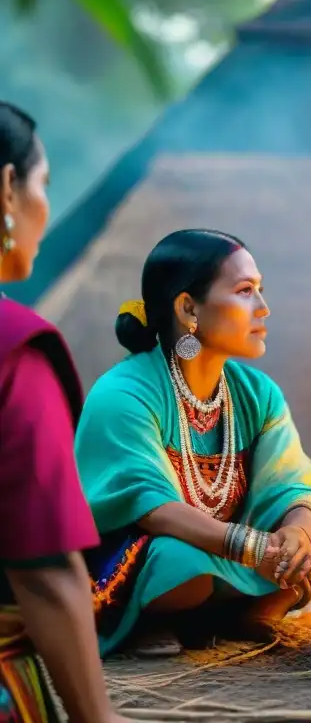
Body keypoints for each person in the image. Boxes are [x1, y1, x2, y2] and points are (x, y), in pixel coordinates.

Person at [75, 229, 311, 657]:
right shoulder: (124, 393)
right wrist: (253, 547)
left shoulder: (257, 393)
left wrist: (296, 533)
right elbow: (151, 506)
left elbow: (292, 484)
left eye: (260, 290)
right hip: (140, 562)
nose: (264, 308)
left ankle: (238, 619)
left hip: (227, 558)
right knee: (179, 565)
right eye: (245, 291)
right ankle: (153, 621)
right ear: (189, 308)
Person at [0, 102, 127, 721]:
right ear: (6, 188)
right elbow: (46, 566)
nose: (46, 208)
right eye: (43, 184)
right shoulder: (16, 351)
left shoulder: (251, 394)